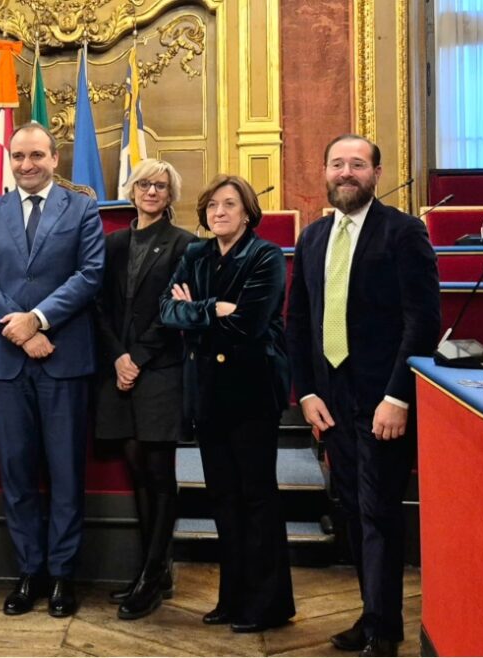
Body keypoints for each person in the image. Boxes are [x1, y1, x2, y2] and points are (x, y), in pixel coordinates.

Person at [286, 135, 439, 657]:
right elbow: (297, 322)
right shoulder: (312, 238)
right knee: (351, 510)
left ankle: (383, 631)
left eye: (357, 164)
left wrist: (399, 397)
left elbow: (423, 321)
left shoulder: (404, 231)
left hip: (382, 401)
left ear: (376, 173)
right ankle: (373, 614)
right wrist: (307, 393)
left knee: (378, 511)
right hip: (329, 399)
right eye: (337, 163)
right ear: (324, 172)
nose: (345, 172)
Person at [0, 122, 105, 617]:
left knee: (65, 472)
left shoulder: (82, 209)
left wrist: (40, 319)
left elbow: (90, 274)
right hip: (6, 363)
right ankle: (29, 571)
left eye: (36, 156)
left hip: (63, 358)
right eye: (19, 156)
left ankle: (63, 574)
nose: (27, 165)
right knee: (17, 472)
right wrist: (23, 329)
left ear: (54, 159)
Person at [159, 174, 295, 633]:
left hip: (252, 390)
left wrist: (196, 312)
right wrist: (213, 309)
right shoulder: (195, 254)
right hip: (208, 392)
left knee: (257, 498)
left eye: (230, 204)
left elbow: (250, 324)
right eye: (213, 205)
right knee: (223, 498)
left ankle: (268, 605)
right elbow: (167, 310)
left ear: (248, 212)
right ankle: (232, 598)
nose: (219, 212)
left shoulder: (266, 255)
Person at [94, 158, 195, 619]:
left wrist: (136, 357)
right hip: (118, 369)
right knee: (136, 470)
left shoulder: (185, 244)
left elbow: (174, 313)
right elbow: (98, 307)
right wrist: (118, 356)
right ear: (132, 191)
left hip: (159, 369)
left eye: (161, 186)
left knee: (159, 473)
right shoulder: (112, 242)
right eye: (144, 184)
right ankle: (151, 569)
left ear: (171, 195)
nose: (152, 191)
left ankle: (154, 575)